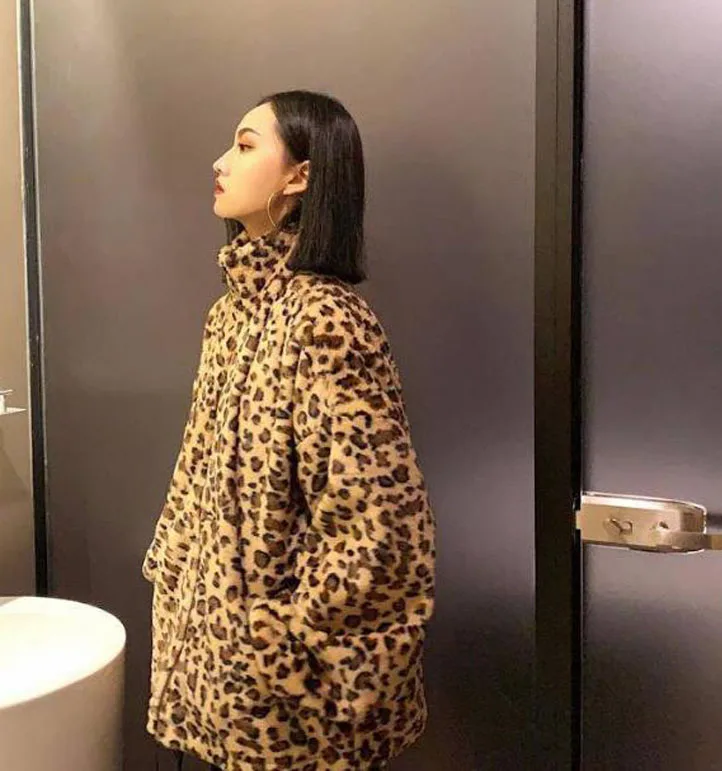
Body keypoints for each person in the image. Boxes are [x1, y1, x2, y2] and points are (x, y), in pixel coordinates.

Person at [141, 90, 436, 771]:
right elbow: (195, 476)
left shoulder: (326, 320)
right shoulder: (229, 317)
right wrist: (176, 575)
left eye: (245, 146)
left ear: (301, 176)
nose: (220, 162)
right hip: (215, 668)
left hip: (291, 705)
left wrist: (284, 645)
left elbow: (383, 527)